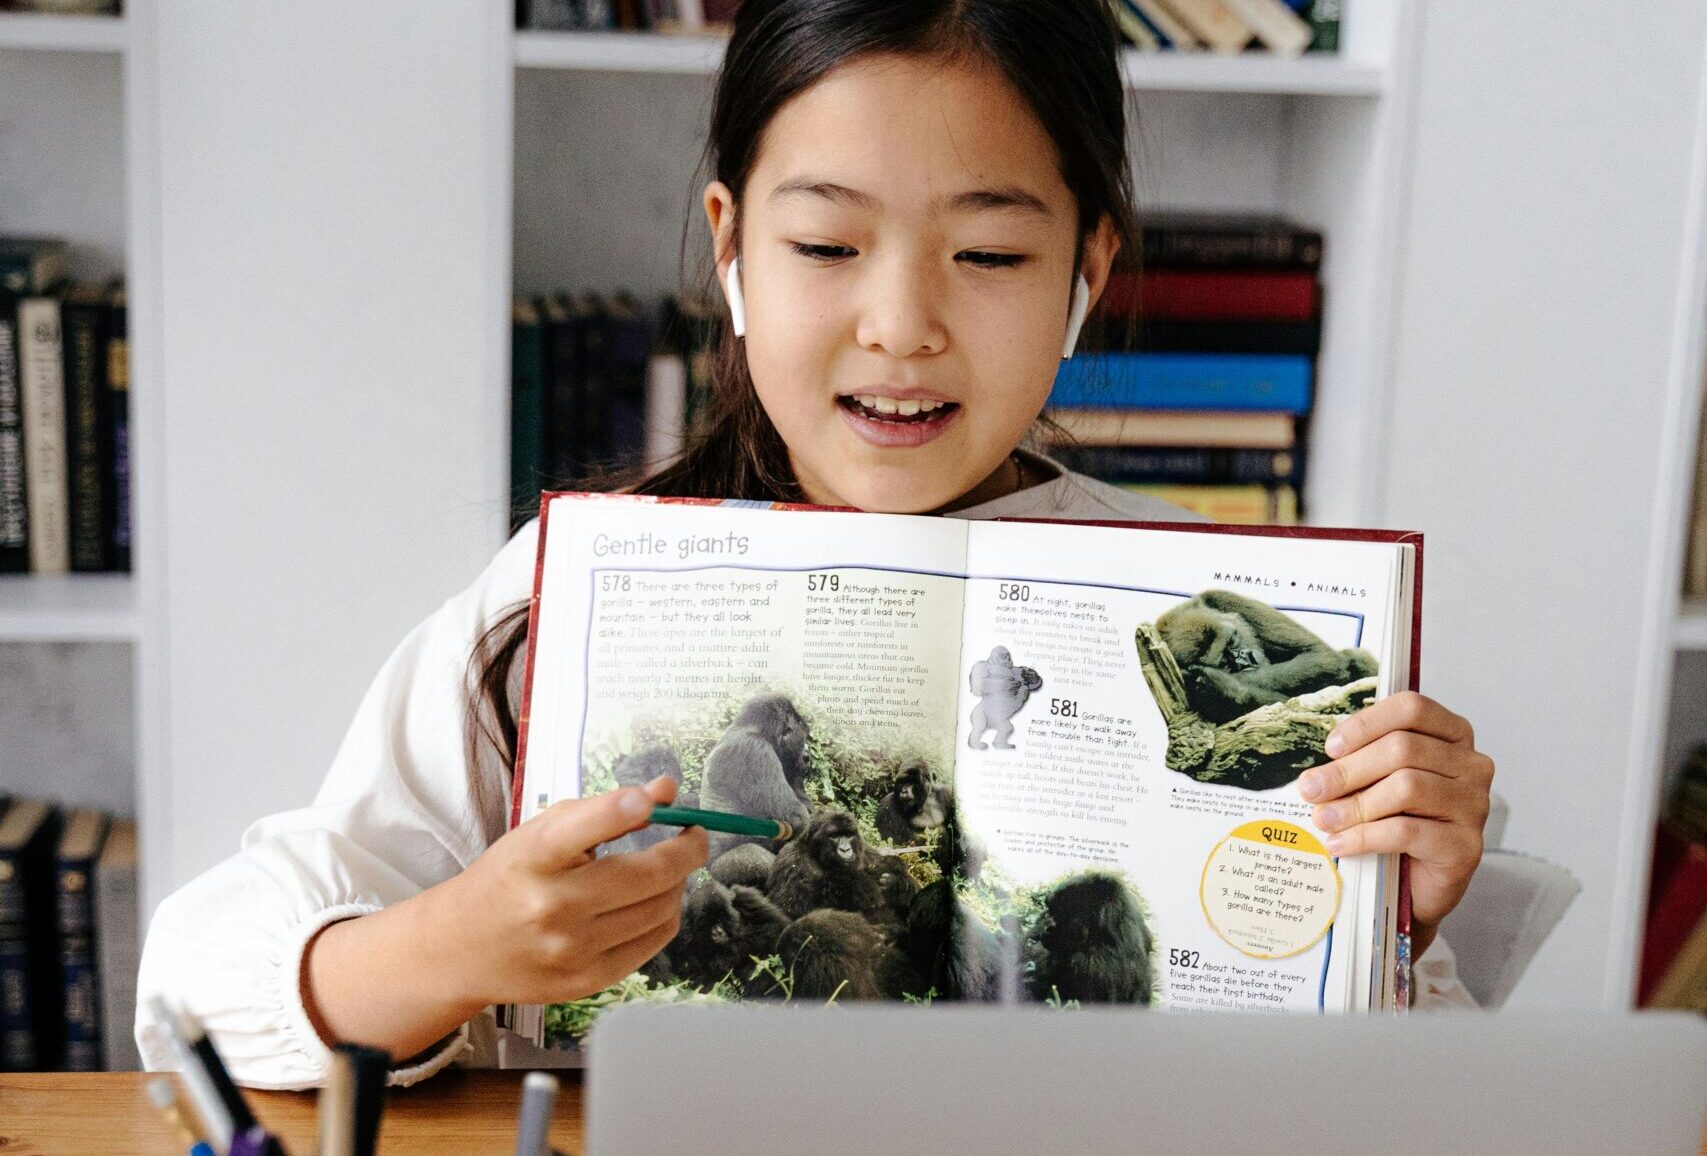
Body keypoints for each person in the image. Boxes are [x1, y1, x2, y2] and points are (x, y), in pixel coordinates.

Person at [137, 0, 1495, 1088]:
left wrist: (1396, 921)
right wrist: (447, 945)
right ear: (732, 248)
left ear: (1089, 268)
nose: (901, 325)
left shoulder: (1221, 611)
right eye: (828, 242)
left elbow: (1415, 1108)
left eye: (993, 257)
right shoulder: (560, 597)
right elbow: (192, 983)